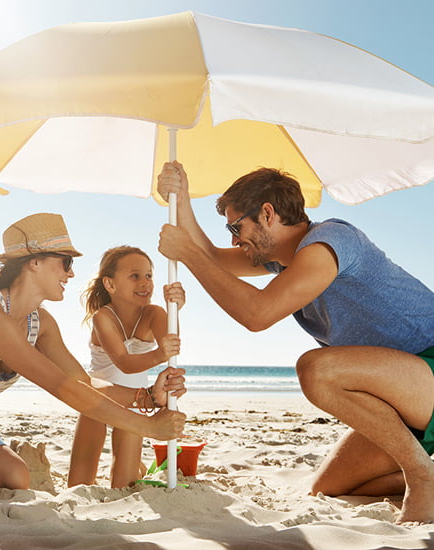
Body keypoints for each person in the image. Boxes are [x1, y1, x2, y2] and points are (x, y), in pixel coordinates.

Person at [156, 161, 434, 523]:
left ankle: (421, 476)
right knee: (327, 489)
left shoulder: (329, 243)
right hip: (399, 400)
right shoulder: (284, 262)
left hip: (426, 374)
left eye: (236, 226)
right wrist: (181, 202)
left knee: (317, 370)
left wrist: (187, 254)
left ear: (268, 213)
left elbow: (258, 314)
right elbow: (214, 260)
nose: (234, 239)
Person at [0, 213, 186, 498]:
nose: (72, 272)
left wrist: (146, 397)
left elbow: (82, 382)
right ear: (34, 262)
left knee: (17, 476)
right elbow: (64, 389)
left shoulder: (41, 324)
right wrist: (147, 427)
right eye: (66, 261)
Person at [68, 246, 185, 488]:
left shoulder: (154, 313)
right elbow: (124, 362)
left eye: (149, 276)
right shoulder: (103, 317)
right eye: (135, 276)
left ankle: (136, 468)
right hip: (98, 400)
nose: (145, 283)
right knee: (78, 484)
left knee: (122, 485)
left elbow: (171, 342)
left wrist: (175, 310)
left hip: (135, 404)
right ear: (110, 285)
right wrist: (160, 353)